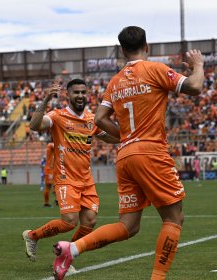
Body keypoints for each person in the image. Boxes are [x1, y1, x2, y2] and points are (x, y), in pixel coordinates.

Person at [52, 26, 205, 280]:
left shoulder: (115, 81)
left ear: (122, 51)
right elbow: (195, 86)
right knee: (174, 218)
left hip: (125, 156)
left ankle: (73, 248)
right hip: (151, 151)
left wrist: (125, 136)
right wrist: (198, 65)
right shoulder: (155, 69)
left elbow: (99, 118)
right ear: (147, 47)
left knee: (128, 226)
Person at [22, 78, 120, 262]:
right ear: (68, 95)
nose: (80, 96)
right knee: (69, 221)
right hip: (65, 178)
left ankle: (65, 257)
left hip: (86, 180)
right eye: (76, 92)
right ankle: (32, 236)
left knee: (90, 221)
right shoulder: (57, 116)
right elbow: (34, 126)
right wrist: (45, 101)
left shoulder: (92, 119)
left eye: (83, 92)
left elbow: (111, 138)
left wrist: (128, 133)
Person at [43, 141, 55, 207]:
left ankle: (56, 201)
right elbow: (55, 147)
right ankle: (46, 203)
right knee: (49, 186)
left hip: (51, 169)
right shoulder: (50, 144)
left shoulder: (50, 146)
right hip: (49, 169)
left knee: (55, 185)